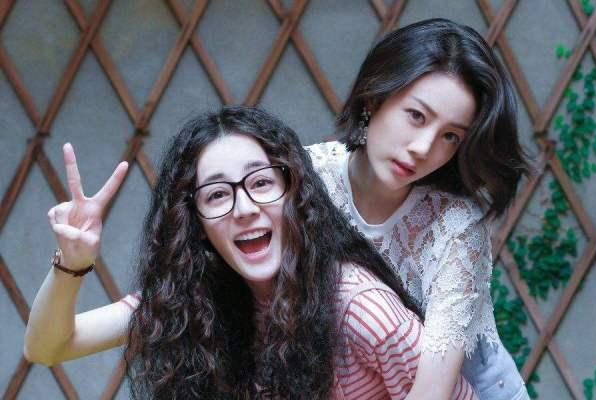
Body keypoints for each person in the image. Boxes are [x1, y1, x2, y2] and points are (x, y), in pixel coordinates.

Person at [24, 106, 478, 399]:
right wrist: (73, 264)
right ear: (196, 222)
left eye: (260, 183)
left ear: (295, 193)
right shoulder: (195, 300)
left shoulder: (360, 307)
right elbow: (47, 347)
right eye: (217, 194)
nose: (243, 208)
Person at [305, 18, 531, 399]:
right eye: (417, 116)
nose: (424, 148)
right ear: (373, 98)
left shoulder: (456, 226)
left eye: (450, 136)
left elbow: (431, 393)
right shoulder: (306, 179)